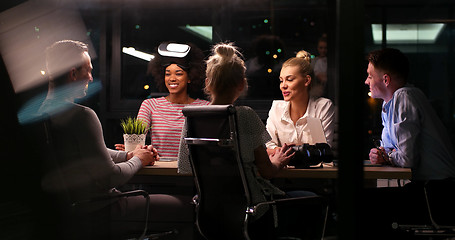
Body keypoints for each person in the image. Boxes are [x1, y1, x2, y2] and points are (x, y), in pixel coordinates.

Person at [38, 40, 193, 239]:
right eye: (88, 71)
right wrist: (139, 160)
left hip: (73, 211)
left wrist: (128, 154)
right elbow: (109, 178)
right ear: (73, 74)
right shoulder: (82, 116)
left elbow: (91, 152)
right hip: (102, 210)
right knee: (191, 207)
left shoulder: (43, 114)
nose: (91, 77)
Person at [178, 43, 322, 239]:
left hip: (210, 214)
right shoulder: (245, 116)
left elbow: (186, 168)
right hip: (254, 212)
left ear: (208, 83)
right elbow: (267, 171)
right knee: (314, 200)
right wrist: (278, 161)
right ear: (241, 84)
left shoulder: (192, 117)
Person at [362, 48, 455, 239]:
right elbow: (390, 150)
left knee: (362, 204)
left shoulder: (404, 97)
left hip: (436, 193)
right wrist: (382, 154)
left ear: (386, 80)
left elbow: (406, 158)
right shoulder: (391, 103)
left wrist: (386, 156)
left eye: (370, 76)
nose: (366, 81)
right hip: (432, 189)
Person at [115, 42, 209, 159]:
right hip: (160, 169)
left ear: (190, 77)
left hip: (192, 171)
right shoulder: (150, 105)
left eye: (178, 74)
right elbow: (138, 139)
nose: (172, 79)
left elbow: (208, 147)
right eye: (167, 74)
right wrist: (133, 148)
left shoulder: (204, 107)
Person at [265, 49, 335, 156]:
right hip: (285, 170)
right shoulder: (276, 108)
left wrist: (282, 152)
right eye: (281, 80)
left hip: (316, 171)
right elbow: (266, 146)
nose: (283, 85)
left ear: (307, 80)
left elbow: (323, 150)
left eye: (290, 79)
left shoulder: (323, 106)